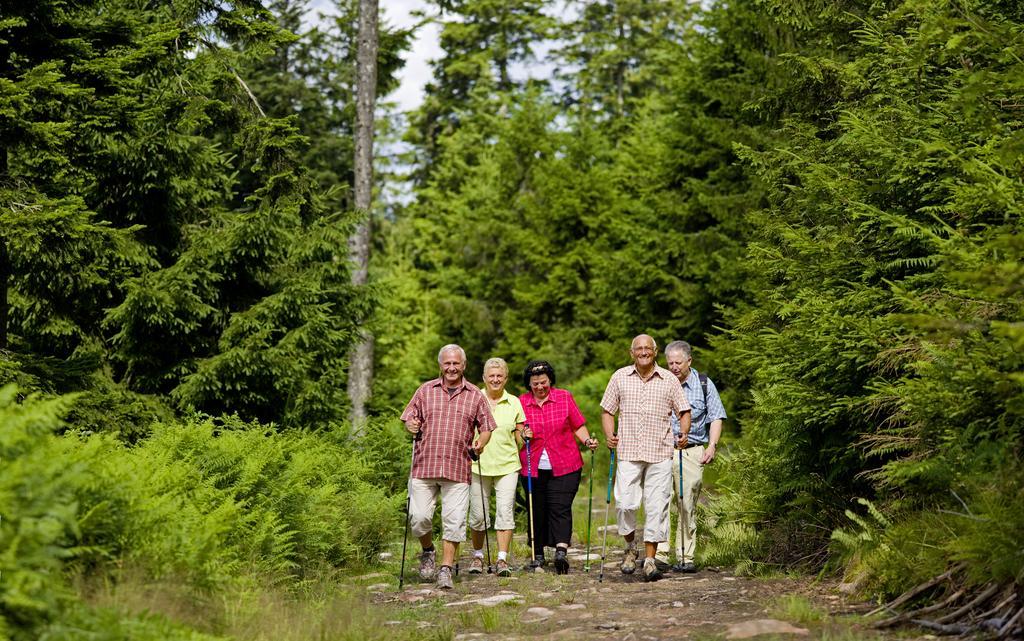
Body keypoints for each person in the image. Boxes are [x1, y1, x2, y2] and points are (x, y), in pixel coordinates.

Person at [401, 344, 496, 589]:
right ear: (440, 365)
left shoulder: (475, 394)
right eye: (447, 363)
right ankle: (428, 551)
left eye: (456, 363)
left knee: (454, 522)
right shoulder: (425, 391)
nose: (452, 368)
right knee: (418, 517)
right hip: (424, 466)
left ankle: (445, 568)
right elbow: (409, 418)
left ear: (463, 366)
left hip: (457, 467)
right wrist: (410, 425)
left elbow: (486, 427)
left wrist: (481, 443)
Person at [600, 334, 691, 582]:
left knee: (656, 506)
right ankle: (630, 547)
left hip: (660, 452)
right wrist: (610, 435)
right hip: (628, 451)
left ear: (655, 351)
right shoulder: (619, 377)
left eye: (647, 349)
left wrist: (683, 434)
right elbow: (607, 410)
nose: (643, 352)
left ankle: (650, 560)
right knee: (625, 503)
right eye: (639, 349)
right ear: (632, 353)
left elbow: (684, 411)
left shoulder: (669, 379)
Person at [519, 360, 598, 574]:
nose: (539, 387)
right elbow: (516, 430)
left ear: (550, 380)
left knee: (560, 507)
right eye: (535, 383)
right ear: (529, 384)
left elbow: (577, 424)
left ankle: (561, 551)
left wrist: (587, 441)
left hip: (565, 463)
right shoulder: (522, 402)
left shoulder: (564, 397)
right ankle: (538, 554)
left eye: (543, 382)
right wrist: (521, 434)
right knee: (537, 509)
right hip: (531, 466)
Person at [655, 340, 727, 573]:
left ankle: (686, 555)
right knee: (661, 502)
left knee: (687, 504)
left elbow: (715, 417)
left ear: (689, 361)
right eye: (670, 363)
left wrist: (712, 446)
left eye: (678, 362)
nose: (674, 367)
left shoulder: (703, 384)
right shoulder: (661, 383)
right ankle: (661, 554)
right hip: (662, 451)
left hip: (693, 450)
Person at [468, 357, 526, 577]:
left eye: (499, 376)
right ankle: (477, 556)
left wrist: (524, 436)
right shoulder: (474, 398)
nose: (495, 380)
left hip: (508, 465)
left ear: (506, 378)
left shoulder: (514, 402)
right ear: (484, 378)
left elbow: (520, 433)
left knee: (505, 512)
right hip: (477, 465)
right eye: (491, 376)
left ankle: (502, 559)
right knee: (478, 515)